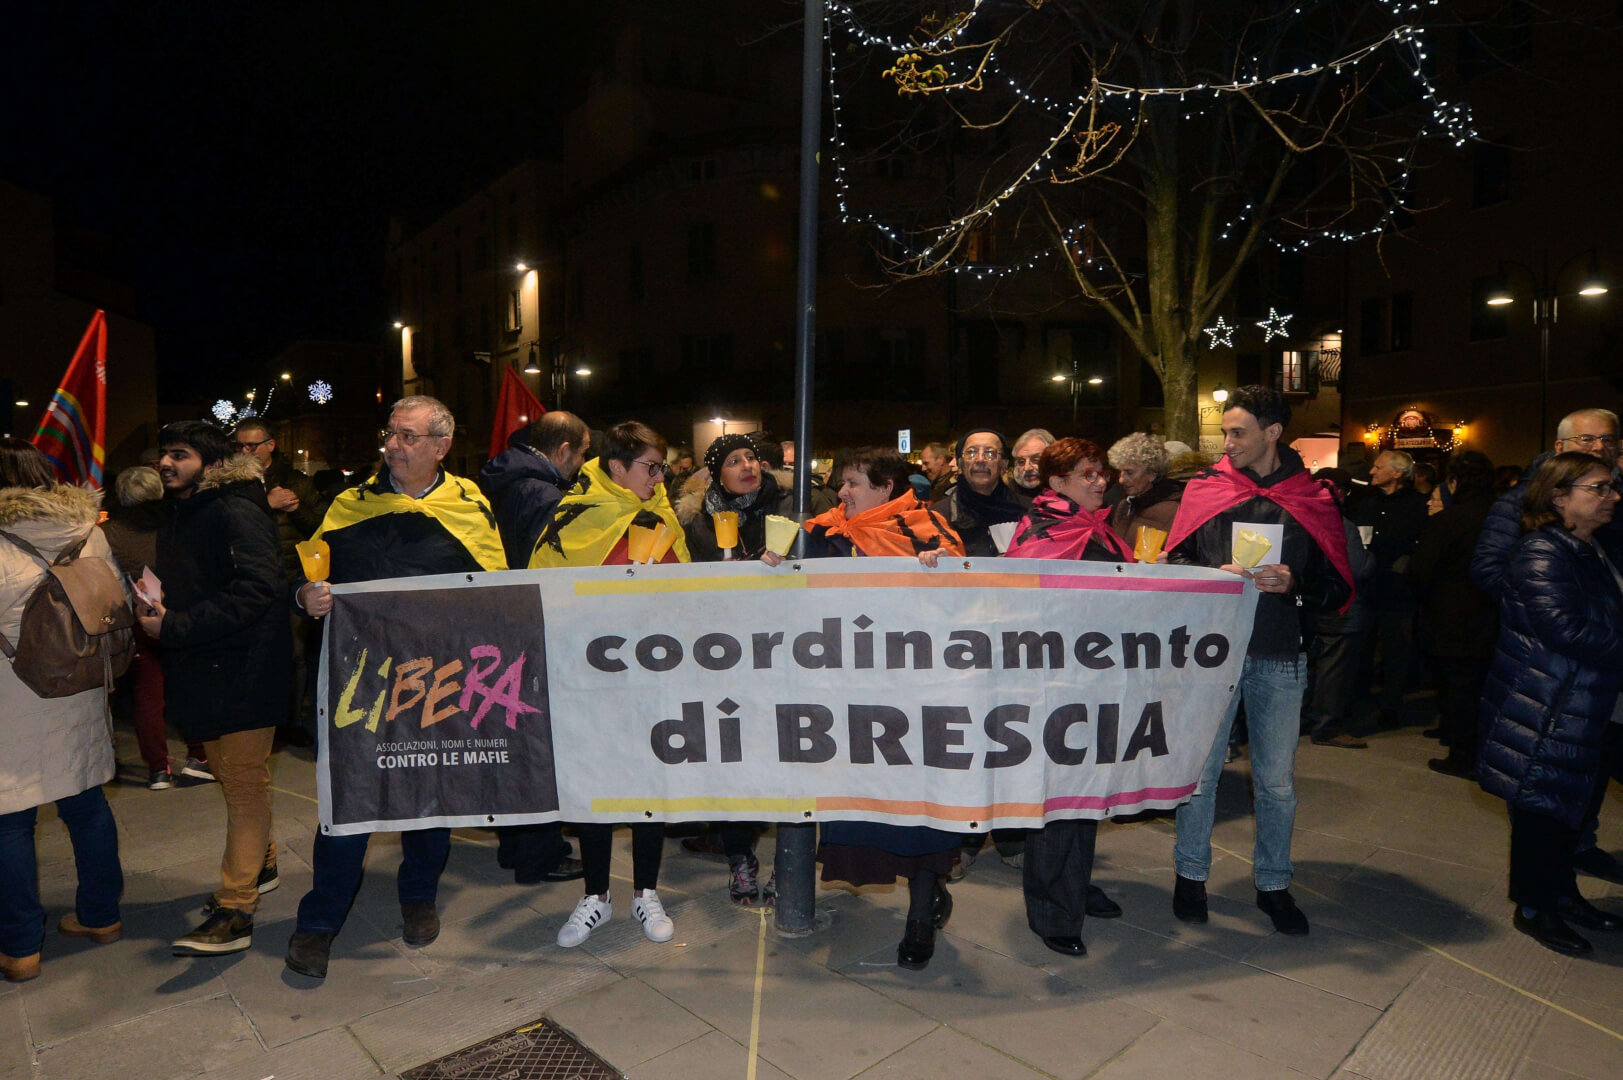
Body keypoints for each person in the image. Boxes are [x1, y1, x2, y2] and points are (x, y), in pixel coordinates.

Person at [286, 396, 507, 980]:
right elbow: (307, 573)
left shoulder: (470, 505)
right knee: (349, 799)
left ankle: (419, 897)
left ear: (441, 446)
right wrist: (305, 596)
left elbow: (495, 591)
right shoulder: (350, 503)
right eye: (390, 433)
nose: (393, 445)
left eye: (408, 436)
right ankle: (318, 923)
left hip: (437, 680)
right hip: (361, 678)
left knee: (429, 793)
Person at [1163, 386, 1353, 935]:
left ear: (1273, 433)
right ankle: (1190, 877)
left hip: (1280, 655)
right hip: (1211, 657)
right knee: (1200, 776)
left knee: (1277, 785)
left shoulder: (1312, 496)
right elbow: (1173, 563)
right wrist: (1210, 575)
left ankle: (1273, 885)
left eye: (1237, 432)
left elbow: (1338, 586)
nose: (1227, 442)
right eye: (1225, 431)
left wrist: (1296, 582)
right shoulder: (1206, 489)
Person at [799, 446, 964, 969]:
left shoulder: (927, 529)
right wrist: (773, 568)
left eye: (853, 482)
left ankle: (921, 911)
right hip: (850, 694)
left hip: (916, 695)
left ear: (886, 488)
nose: (841, 492)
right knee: (865, 801)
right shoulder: (823, 533)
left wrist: (945, 575)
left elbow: (966, 608)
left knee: (920, 807)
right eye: (842, 482)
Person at [532, 421, 689, 949]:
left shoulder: (663, 513)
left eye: (662, 467)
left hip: (652, 674)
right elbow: (544, 587)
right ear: (617, 467)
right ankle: (595, 895)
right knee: (595, 784)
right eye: (651, 467)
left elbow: (690, 589)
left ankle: (646, 892)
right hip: (591, 676)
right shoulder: (577, 512)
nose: (660, 477)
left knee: (648, 781)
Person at [143, 422, 290, 957]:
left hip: (246, 669)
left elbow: (258, 589)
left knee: (244, 783)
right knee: (230, 775)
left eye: (179, 454)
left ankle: (236, 909)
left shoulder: (235, 509)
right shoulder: (185, 509)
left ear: (211, 463)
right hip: (206, 667)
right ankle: (262, 863)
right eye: (163, 454)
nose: (166, 463)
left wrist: (176, 624)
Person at [1478, 452, 1623, 957]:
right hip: (1546, 704)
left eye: (1611, 487)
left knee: (1567, 812)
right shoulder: (1542, 551)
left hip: (1579, 701)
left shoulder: (1586, 547)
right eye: (1598, 488)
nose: (1612, 496)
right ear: (1559, 497)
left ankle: (1563, 896)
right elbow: (1565, 629)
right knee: (1542, 814)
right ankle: (1535, 908)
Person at [0, 439, 126, 984]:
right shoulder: (87, 530)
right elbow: (114, 601)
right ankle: (101, 917)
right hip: (78, 685)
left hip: (10, 699)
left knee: (9, 822)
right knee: (87, 805)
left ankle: (20, 948)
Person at [1002, 437, 1132, 956]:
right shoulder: (1043, 530)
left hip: (1094, 677)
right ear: (1058, 483)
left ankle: (1073, 886)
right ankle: (1053, 911)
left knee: (1085, 794)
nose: (1100, 482)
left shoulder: (1095, 526)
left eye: (1102, 473)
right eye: (1088, 474)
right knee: (1058, 797)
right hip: (1055, 683)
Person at [673, 432, 797, 903]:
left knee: (787, 755)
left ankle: (788, 862)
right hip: (724, 656)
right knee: (733, 756)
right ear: (716, 476)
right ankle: (740, 856)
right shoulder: (698, 522)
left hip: (785, 653)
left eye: (752, 458)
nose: (747, 466)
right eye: (733, 461)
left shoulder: (790, 507)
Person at [476, 411, 591, 885]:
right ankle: (540, 853)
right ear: (563, 450)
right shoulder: (542, 494)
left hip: (501, 624)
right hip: (533, 626)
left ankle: (516, 845)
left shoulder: (504, 480)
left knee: (514, 738)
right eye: (581, 453)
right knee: (536, 747)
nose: (582, 464)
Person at [100, 465, 208, 788]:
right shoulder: (177, 523)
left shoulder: (109, 533)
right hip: (180, 616)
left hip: (138, 619)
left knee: (148, 696)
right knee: (190, 688)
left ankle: (158, 768)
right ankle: (198, 757)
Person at [231, 418, 326, 748]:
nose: (245, 451)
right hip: (248, 581)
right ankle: (257, 722)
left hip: (290, 578)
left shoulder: (295, 481)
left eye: (252, 445)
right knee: (254, 654)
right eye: (240, 445)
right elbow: (229, 523)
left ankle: (291, 722)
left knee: (295, 656)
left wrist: (295, 509)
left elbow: (322, 525)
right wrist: (266, 504)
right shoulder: (232, 483)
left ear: (270, 445)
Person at [1408, 451, 1497, 778]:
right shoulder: (1501, 517)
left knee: (1458, 687)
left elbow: (1421, 570)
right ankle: (1461, 738)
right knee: (1476, 686)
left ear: (1455, 482)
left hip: (1451, 615)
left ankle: (1462, 755)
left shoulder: (1449, 521)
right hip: (1491, 614)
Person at [1350, 450, 1429, 729]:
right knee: (1361, 648)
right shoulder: (1365, 502)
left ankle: (1391, 707)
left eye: (1378, 467)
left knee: (1396, 651)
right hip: (1366, 587)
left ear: (1397, 473)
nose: (1372, 472)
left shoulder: (1417, 505)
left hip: (1397, 590)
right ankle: (1358, 704)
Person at [1301, 468, 1376, 749]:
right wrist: (1371, 556)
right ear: (1340, 492)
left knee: (1312, 668)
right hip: (1342, 609)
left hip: (1312, 604)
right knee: (1334, 672)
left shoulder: (1302, 518)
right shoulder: (1343, 524)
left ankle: (1306, 719)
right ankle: (1327, 727)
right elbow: (1359, 568)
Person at [931, 430, 1025, 556]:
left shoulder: (1028, 512)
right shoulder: (938, 516)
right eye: (971, 452)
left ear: (1004, 465)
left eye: (990, 453)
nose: (980, 459)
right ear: (960, 464)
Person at [1105, 433, 1183, 552]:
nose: (1121, 480)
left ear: (1151, 474)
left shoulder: (1174, 511)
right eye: (1120, 472)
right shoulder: (1125, 506)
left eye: (1129, 473)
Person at [1007, 428, 1055, 509]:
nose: (1027, 468)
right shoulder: (1006, 498)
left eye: (1036, 460)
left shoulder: (1068, 495)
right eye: (1021, 462)